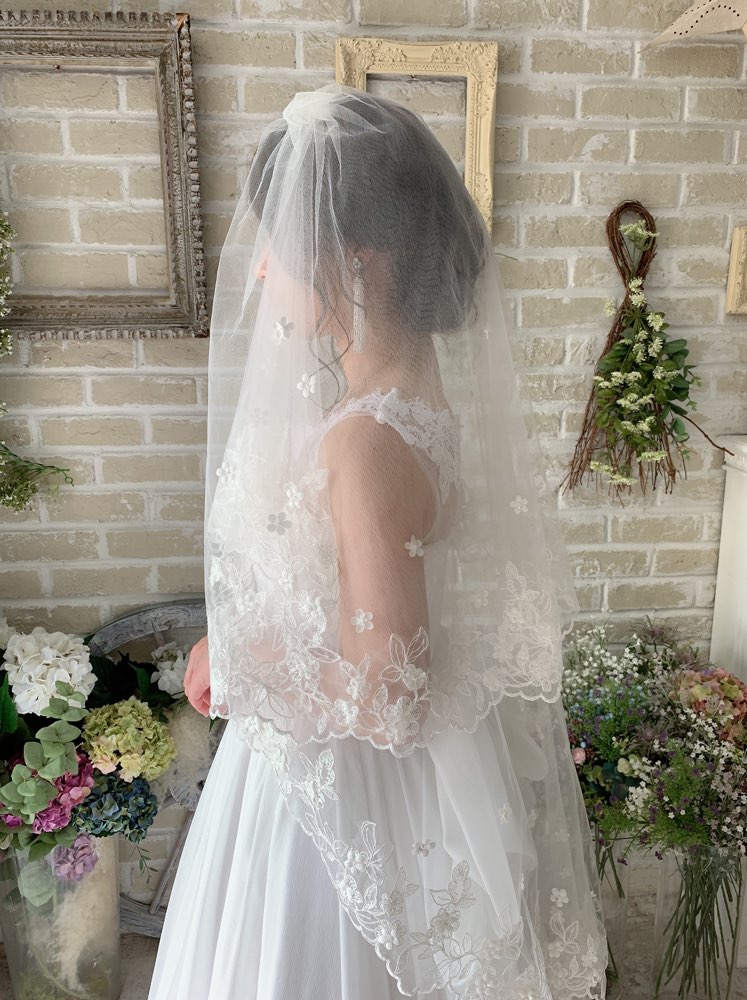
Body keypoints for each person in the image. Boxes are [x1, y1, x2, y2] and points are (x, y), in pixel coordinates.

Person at [148, 82, 608, 1000]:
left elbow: (389, 695)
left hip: (334, 812)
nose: (260, 272)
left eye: (278, 241)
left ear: (355, 256)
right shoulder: (411, 411)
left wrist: (237, 659)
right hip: (386, 790)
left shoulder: (363, 443)